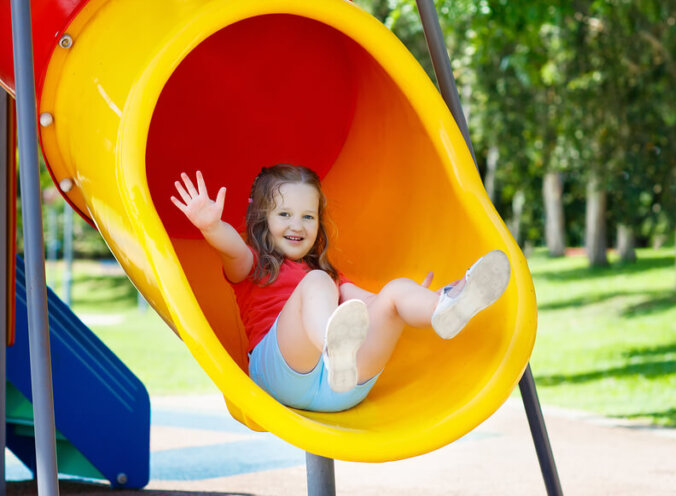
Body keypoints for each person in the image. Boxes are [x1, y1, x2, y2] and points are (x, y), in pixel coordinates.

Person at [171, 164, 510, 412]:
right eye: (285, 214)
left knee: (393, 292)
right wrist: (212, 226)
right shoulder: (254, 264)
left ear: (319, 223)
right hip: (280, 375)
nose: (297, 225)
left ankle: (444, 307)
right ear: (263, 219)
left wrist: (414, 298)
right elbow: (231, 249)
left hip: (343, 387)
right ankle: (335, 351)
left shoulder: (329, 276)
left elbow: (373, 306)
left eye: (308, 216)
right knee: (316, 284)